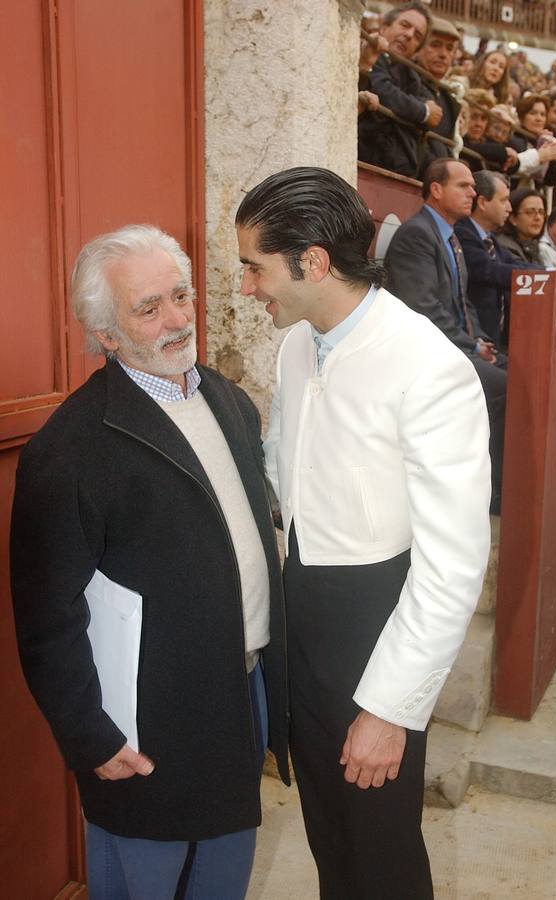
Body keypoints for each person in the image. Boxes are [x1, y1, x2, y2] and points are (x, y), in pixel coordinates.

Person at [10, 224, 289, 900]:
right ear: (106, 335)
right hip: (143, 728)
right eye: (148, 308)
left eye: (181, 296)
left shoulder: (226, 399)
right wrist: (90, 738)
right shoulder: (69, 449)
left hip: (240, 696)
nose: (175, 320)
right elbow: (46, 618)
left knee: (223, 880)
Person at [235, 166, 491, 900]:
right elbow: (283, 465)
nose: (248, 288)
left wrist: (389, 708)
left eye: (256, 267)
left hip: (378, 631)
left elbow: (451, 567)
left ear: (312, 261)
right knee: (331, 842)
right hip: (302, 620)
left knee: (380, 857)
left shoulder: (429, 367)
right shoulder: (296, 343)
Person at [386, 158, 506, 511]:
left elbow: (462, 303)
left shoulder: (450, 235)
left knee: (517, 370)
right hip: (424, 349)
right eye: (463, 185)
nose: (473, 191)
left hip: (455, 344)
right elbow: (423, 309)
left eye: (473, 186)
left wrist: (482, 342)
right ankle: (491, 495)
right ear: (436, 190)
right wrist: (471, 347)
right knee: (503, 387)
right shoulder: (416, 235)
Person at [454, 172, 556, 348]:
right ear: (483, 203)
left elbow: (515, 265)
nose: (509, 208)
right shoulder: (463, 232)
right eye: (504, 201)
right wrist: (554, 272)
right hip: (475, 339)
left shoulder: (489, 238)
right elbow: (491, 271)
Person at [358, 1, 441, 178]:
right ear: (385, 26)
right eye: (405, 25)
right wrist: (423, 111)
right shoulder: (370, 49)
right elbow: (383, 89)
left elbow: (434, 111)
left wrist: (420, 110)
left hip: (401, 170)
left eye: (418, 36)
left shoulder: (411, 74)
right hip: (364, 160)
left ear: (416, 50)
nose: (409, 35)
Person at [415, 16, 461, 166]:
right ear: (419, 46)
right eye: (435, 45)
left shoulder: (449, 99)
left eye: (449, 48)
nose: (443, 54)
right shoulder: (404, 81)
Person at [496, 186, 547, 264]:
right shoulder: (505, 246)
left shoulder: (532, 245)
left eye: (541, 212)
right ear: (513, 219)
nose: (538, 217)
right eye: (530, 212)